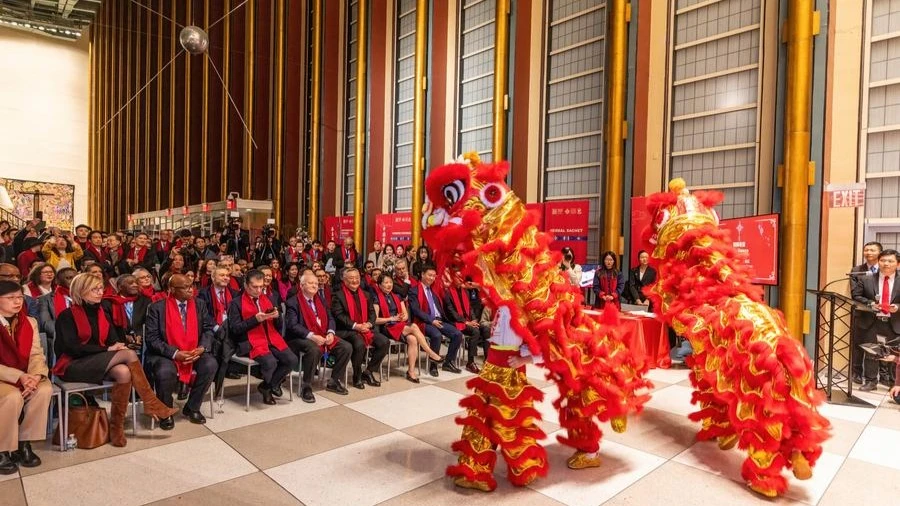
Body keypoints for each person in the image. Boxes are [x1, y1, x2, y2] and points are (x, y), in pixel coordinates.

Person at [52, 274, 178, 446]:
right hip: (73, 364)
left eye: (100, 288)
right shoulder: (67, 315)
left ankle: (116, 427)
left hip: (99, 361)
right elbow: (70, 348)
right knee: (129, 354)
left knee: (124, 372)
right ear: (81, 291)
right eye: (94, 289)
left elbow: (113, 339)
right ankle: (151, 402)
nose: (99, 292)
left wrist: (117, 345)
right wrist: (108, 349)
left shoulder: (102, 312)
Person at [447, 306, 548, 492]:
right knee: (480, 420)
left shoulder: (526, 306)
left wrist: (524, 360)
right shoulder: (500, 304)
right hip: (490, 369)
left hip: (510, 374)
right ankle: (476, 470)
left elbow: (547, 344)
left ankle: (522, 466)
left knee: (509, 423)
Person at [143, 274, 217, 428]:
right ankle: (165, 410)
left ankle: (192, 407)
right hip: (166, 353)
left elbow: (208, 329)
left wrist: (202, 347)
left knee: (210, 364)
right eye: (186, 287)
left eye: (192, 286)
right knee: (165, 371)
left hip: (194, 350)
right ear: (171, 289)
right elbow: (152, 339)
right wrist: (175, 353)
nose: (191, 290)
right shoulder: (157, 308)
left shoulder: (199, 304)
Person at [0, 281, 52, 474]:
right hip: (6, 376)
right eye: (10, 298)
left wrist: (36, 376)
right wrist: (20, 376)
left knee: (44, 389)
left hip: (25, 374)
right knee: (12, 396)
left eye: (20, 297)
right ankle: (3, 449)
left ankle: (23, 443)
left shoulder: (29, 321)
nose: (17, 302)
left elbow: (36, 354)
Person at [227, 270, 297, 405]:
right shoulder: (236, 303)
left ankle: (267, 387)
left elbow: (277, 326)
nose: (259, 290)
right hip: (249, 341)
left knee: (292, 360)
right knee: (271, 362)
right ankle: (270, 386)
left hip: (271, 337)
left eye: (261, 287)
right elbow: (235, 329)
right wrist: (255, 320)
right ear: (246, 286)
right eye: (255, 287)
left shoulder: (268, 299)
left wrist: (277, 317)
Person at [284, 271, 352, 401]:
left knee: (346, 347)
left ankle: (334, 381)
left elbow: (330, 318)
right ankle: (306, 386)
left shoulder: (320, 300)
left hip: (322, 334)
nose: (315, 286)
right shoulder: (293, 302)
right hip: (299, 338)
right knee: (314, 349)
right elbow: (292, 325)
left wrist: (331, 332)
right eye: (311, 283)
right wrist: (312, 336)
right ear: (302, 285)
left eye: (316, 283)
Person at [373, 274, 444, 383]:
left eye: (390, 282)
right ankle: (431, 353)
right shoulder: (376, 298)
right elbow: (376, 319)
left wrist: (400, 317)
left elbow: (405, 315)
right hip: (387, 327)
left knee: (413, 339)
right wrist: (391, 318)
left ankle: (411, 372)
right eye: (386, 283)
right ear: (379, 285)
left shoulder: (397, 296)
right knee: (414, 326)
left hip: (400, 325)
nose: (389, 285)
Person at [331, 267, 389, 389]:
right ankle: (356, 376)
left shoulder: (366, 295)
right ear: (344, 280)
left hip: (365, 327)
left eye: (357, 278)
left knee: (384, 342)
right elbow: (339, 315)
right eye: (351, 278)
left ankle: (368, 372)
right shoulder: (338, 295)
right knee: (359, 344)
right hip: (346, 330)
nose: (355, 281)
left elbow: (372, 313)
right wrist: (356, 326)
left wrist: (369, 324)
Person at [851, 249, 900, 391]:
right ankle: (871, 381)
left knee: (894, 352)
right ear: (878, 262)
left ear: (897, 264)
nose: (886, 263)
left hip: (894, 321)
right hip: (871, 320)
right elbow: (856, 296)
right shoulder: (866, 278)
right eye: (883, 260)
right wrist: (870, 304)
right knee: (871, 351)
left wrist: (897, 307)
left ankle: (893, 382)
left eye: (890, 261)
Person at [409, 266, 463, 377]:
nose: (432, 278)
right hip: (424, 322)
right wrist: (431, 320)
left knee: (458, 334)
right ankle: (433, 364)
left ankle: (448, 362)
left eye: (434, 276)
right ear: (422, 274)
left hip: (439, 320)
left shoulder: (434, 291)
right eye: (429, 275)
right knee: (436, 335)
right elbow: (416, 310)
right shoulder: (414, 290)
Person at [851, 241, 883, 384]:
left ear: (879, 253)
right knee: (859, 344)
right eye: (866, 250)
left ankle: (884, 376)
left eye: (872, 250)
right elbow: (855, 293)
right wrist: (871, 303)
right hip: (863, 314)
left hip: (885, 315)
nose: (868, 253)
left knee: (881, 346)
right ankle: (856, 373)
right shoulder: (857, 270)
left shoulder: (886, 269)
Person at [445, 278, 486, 373]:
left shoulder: (465, 292)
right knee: (475, 331)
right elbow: (451, 312)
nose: (460, 279)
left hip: (467, 321)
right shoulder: (448, 292)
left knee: (483, 329)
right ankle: (471, 362)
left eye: (461, 277)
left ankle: (487, 359)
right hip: (454, 322)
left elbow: (470, 308)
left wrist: (474, 319)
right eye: (457, 277)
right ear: (452, 277)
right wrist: (466, 322)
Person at [102, 275, 152, 351]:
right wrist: (124, 337)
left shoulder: (145, 300)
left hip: (143, 341)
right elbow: (110, 327)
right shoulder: (109, 303)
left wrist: (140, 335)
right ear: (120, 287)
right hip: (119, 343)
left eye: (136, 283)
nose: (135, 285)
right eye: (130, 283)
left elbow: (149, 322)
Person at [38, 267, 77, 344]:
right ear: (58, 281)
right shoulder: (45, 299)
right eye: (68, 278)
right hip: (60, 336)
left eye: (75, 278)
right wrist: (66, 332)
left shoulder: (85, 296)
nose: (73, 281)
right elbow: (46, 323)